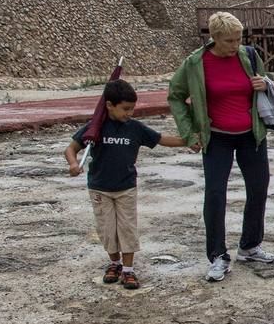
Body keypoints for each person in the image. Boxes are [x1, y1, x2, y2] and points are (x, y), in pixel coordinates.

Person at [168, 11, 274, 282]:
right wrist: (189, 132)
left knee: (258, 186)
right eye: (229, 41)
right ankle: (218, 255)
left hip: (251, 134)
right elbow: (176, 96)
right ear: (214, 38)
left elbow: (263, 85)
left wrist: (264, 84)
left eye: (239, 39)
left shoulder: (248, 56)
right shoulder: (195, 63)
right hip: (216, 137)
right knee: (215, 193)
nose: (235, 45)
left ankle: (250, 246)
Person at [64, 79, 186, 290]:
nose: (129, 113)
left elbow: (160, 139)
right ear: (109, 105)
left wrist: (188, 142)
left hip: (126, 188)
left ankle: (128, 270)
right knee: (107, 229)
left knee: (127, 229)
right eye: (125, 109)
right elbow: (71, 148)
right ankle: (114, 264)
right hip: (99, 187)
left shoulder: (135, 128)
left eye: (132, 109)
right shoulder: (95, 128)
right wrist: (74, 164)